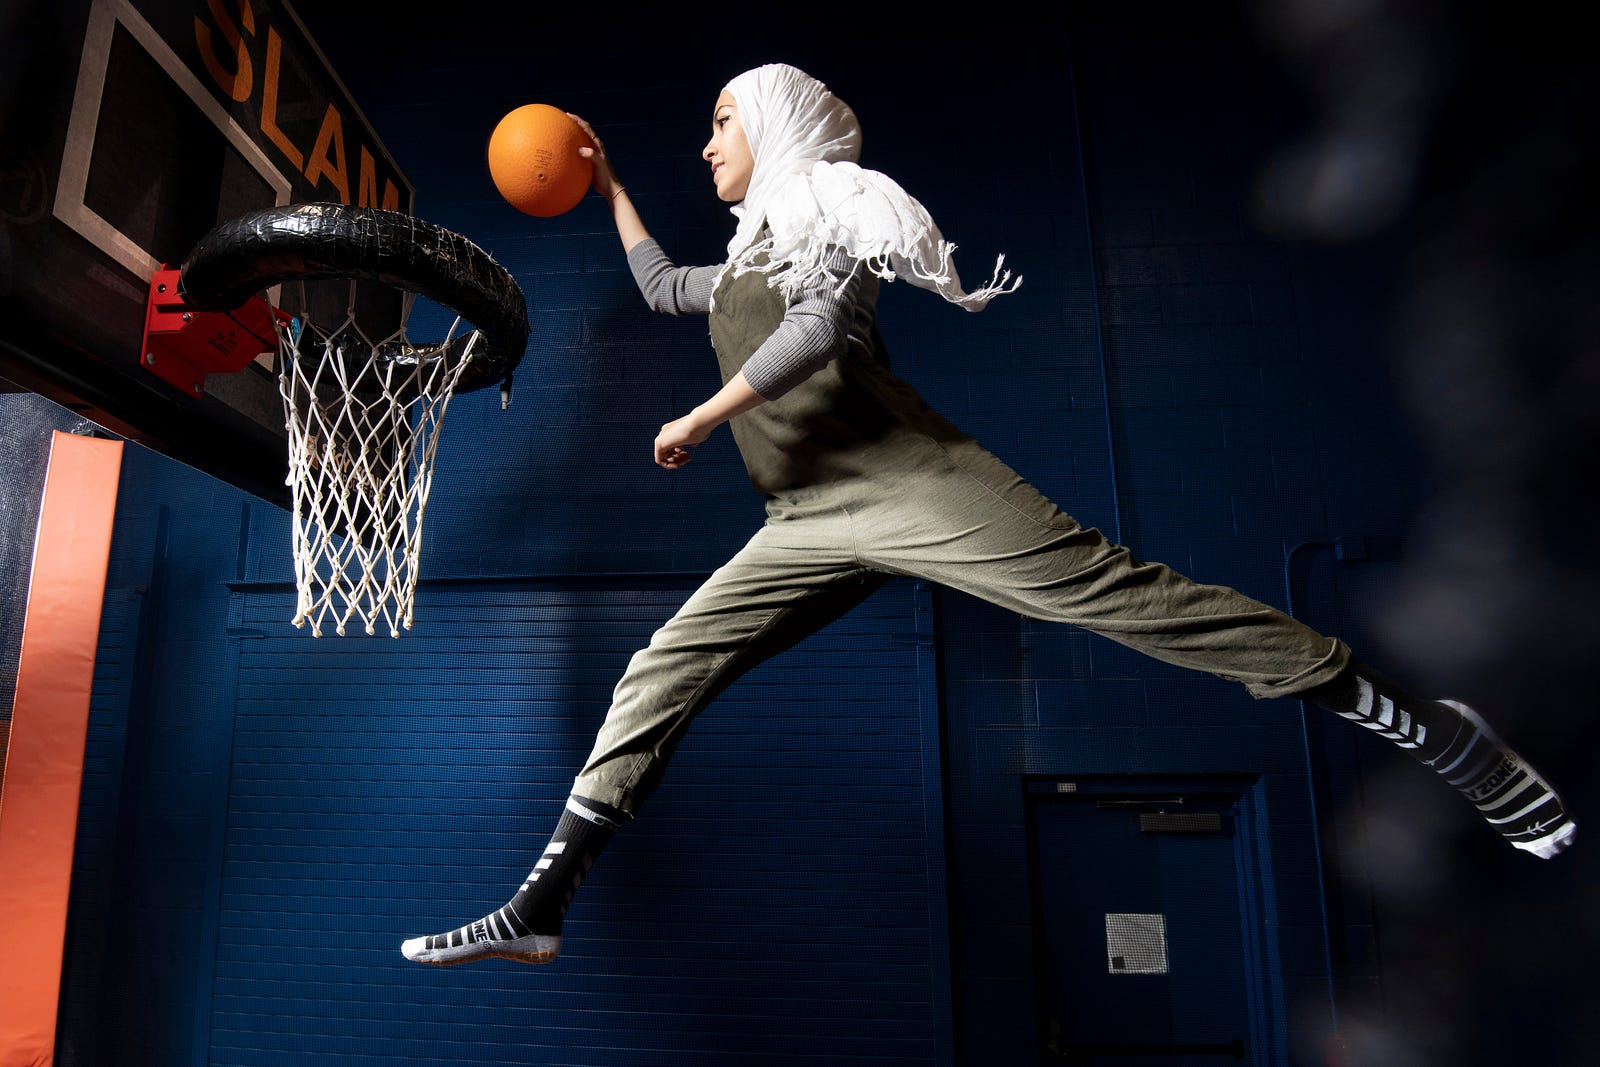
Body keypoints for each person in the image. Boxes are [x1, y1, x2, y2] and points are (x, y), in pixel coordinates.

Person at [401, 63, 1576, 967]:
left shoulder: (837, 214)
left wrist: (704, 415)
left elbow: (815, 333)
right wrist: (608, 187)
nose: (706, 144)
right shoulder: (746, 258)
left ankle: (1435, 730)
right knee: (664, 663)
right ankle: (543, 901)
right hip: (802, 517)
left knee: (1125, 600)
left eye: (721, 122)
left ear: (778, 124)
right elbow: (664, 287)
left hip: (911, 482)